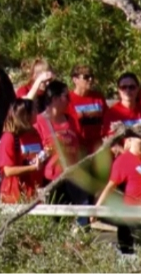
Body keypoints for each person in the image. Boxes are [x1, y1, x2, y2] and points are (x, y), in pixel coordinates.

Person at [35, 80, 89, 216]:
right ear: (55, 99)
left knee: (82, 219)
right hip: (52, 180)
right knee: (57, 220)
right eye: (67, 97)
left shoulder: (71, 120)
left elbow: (80, 145)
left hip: (74, 177)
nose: (69, 101)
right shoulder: (39, 122)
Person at [95, 134, 141, 255]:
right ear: (130, 141)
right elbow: (110, 186)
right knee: (135, 250)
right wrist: (96, 209)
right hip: (132, 214)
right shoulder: (123, 161)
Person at [0, 98, 48, 203]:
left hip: (33, 192)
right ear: (26, 115)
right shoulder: (9, 137)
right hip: (14, 195)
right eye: (34, 110)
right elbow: (8, 170)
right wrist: (33, 167)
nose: (36, 113)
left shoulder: (34, 133)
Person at [67, 64, 107, 154]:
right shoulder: (68, 100)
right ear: (75, 79)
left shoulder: (98, 97)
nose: (90, 80)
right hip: (79, 149)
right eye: (86, 77)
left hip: (98, 147)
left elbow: (107, 120)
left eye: (92, 76)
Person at [103, 72, 141, 138]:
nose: (128, 90)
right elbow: (111, 143)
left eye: (132, 87)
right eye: (123, 87)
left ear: (138, 89)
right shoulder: (111, 114)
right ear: (118, 90)